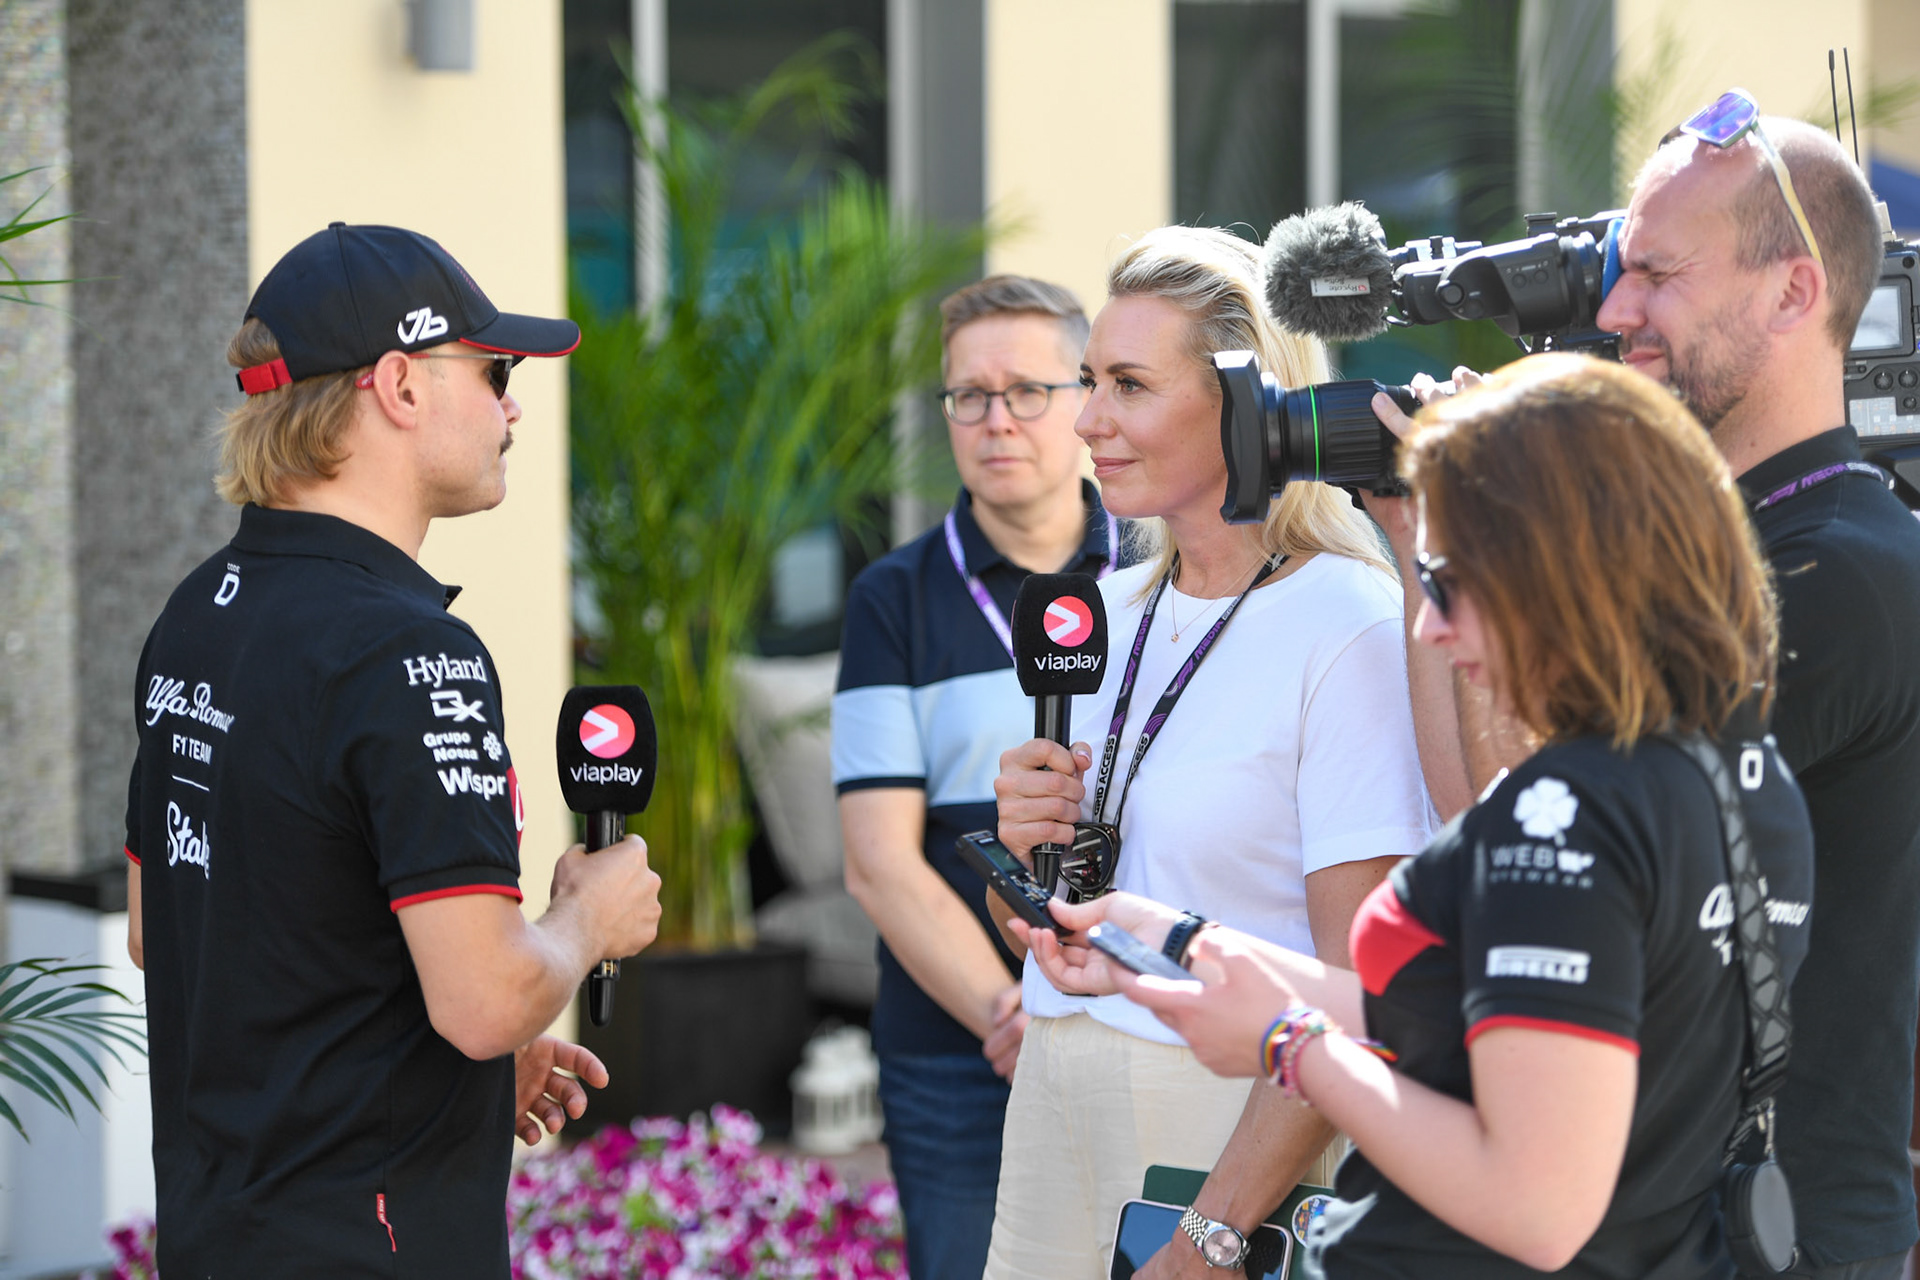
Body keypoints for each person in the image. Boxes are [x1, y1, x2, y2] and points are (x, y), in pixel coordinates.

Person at [1043, 353, 1817, 1278]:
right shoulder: (1738, 773)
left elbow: (1537, 1207)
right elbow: (1508, 1026)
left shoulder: (1564, 819)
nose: (1431, 626)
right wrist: (1202, 950)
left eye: (1450, 580)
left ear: (1562, 568)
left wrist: (1288, 1045)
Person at [1370, 93, 1920, 1279]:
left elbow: (1527, 833)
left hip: (1775, 1235)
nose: (1615, 312)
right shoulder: (1721, 565)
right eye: (1618, 271)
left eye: (1658, 274)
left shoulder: (1832, 580)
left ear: (1793, 290)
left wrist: (1476, 549)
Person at [123, 223, 664, 1278]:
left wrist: (437, 1089)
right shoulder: (409, 649)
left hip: (216, 1234)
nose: (511, 405)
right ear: (400, 386)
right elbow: (484, 1000)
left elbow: (170, 928)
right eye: (494, 369)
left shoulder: (196, 613)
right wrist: (587, 915)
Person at [986, 225, 1436, 1280]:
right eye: (1090, 381)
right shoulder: (1103, 608)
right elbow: (1092, 900)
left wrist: (1216, 1226)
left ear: (1244, 399)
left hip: (1224, 1131)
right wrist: (1030, 855)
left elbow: (1353, 984)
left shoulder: (1349, 620)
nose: (1088, 421)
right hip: (1052, 1082)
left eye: (1130, 385)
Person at [831, 274, 1121, 1280]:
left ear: (1087, 396)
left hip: (1135, 1017)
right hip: (957, 1041)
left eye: (1027, 390)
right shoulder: (892, 598)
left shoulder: (1159, 571)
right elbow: (878, 861)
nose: (996, 420)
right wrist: (1015, 1012)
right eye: (969, 396)